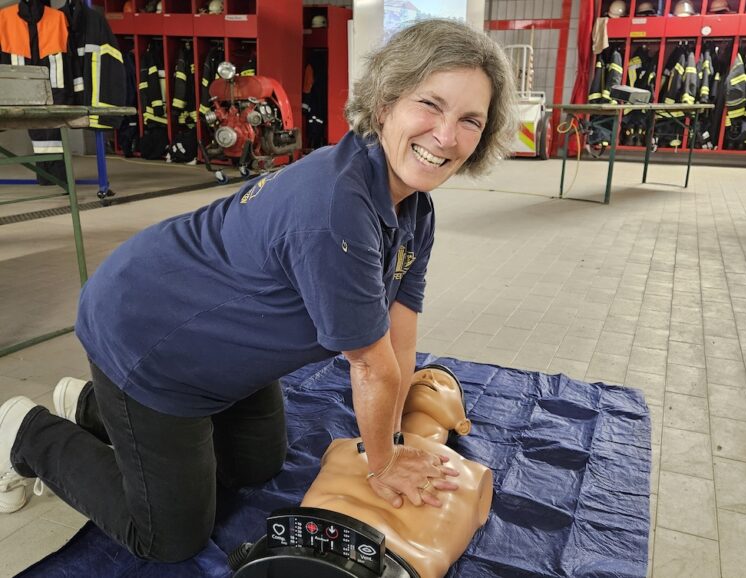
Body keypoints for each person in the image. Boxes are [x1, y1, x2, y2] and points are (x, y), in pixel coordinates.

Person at [0, 19, 515, 562]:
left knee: (255, 468)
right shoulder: (338, 207)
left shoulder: (415, 207)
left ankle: (87, 405)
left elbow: (398, 336)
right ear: (385, 102)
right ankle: (26, 433)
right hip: (149, 338)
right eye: (430, 105)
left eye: (470, 120)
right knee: (171, 537)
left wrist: (399, 443)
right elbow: (370, 365)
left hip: (222, 350)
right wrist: (383, 462)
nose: (446, 135)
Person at [301, 365, 492, 578]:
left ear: (463, 425)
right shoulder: (341, 445)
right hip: (298, 551)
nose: (429, 376)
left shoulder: (475, 475)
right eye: (415, 377)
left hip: (391, 568)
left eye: (445, 384)